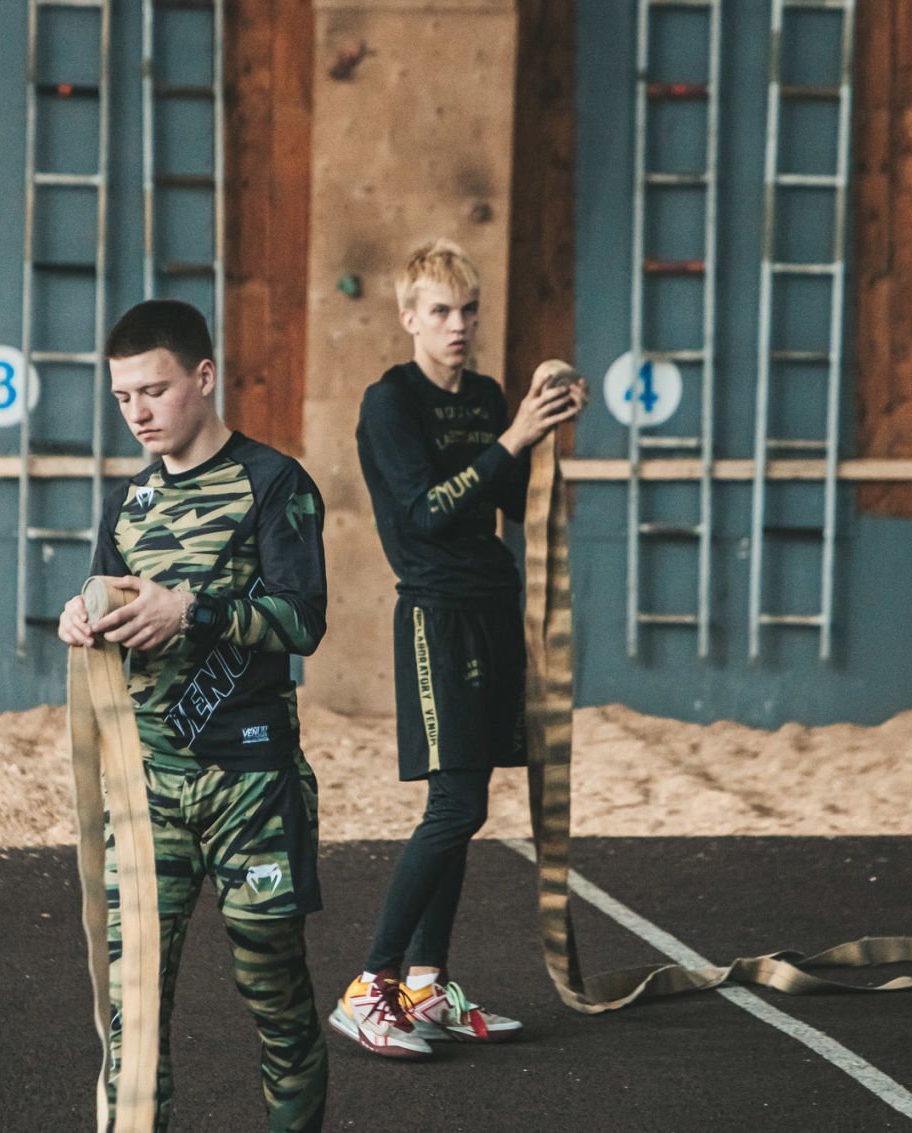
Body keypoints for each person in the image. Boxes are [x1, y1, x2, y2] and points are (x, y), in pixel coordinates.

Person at [58, 299, 329, 1130]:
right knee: (132, 1013)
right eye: (123, 397)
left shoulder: (274, 482)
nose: (138, 412)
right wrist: (80, 616)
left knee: (273, 993)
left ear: (204, 376)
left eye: (155, 390)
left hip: (253, 783)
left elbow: (303, 620)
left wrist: (192, 610)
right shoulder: (127, 502)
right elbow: (107, 597)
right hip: (148, 792)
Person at [328, 239, 588, 1058]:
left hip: (494, 606)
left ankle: (425, 983)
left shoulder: (485, 397)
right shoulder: (390, 402)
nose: (458, 325)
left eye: (468, 310)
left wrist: (545, 428)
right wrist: (513, 437)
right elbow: (426, 512)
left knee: (467, 802)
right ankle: (369, 985)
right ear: (409, 318)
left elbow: (507, 494)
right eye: (440, 311)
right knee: (455, 806)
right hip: (436, 614)